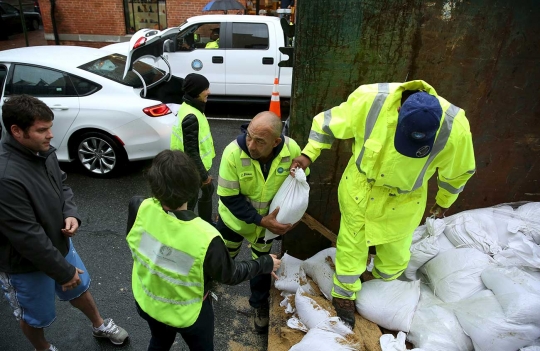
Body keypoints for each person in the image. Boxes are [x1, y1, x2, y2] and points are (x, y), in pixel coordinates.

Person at [290, 81, 476, 329]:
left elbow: (459, 173)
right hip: (361, 190)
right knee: (351, 245)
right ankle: (344, 295)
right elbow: (326, 123)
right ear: (399, 112)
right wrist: (308, 154)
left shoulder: (455, 128)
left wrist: (443, 202)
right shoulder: (370, 100)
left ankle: (381, 290)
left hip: (406, 199)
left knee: (397, 254)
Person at [0, 95, 129, 351]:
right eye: (42, 130)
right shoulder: (5, 176)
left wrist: (70, 213)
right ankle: (44, 348)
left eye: (50, 127)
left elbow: (62, 185)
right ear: (16, 131)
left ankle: (99, 324)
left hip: (60, 246)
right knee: (34, 316)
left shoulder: (41, 151)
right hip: (25, 265)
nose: (50, 135)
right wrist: (63, 271)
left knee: (79, 289)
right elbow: (27, 236)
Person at [126, 149, 280, 351]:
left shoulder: (139, 207)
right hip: (189, 314)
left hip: (148, 302)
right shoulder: (206, 236)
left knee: (159, 341)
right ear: (193, 189)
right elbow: (230, 274)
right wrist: (266, 263)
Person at [216, 111, 307, 333]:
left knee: (262, 265)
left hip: (264, 231)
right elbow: (228, 197)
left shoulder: (291, 150)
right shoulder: (232, 154)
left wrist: (291, 217)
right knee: (223, 258)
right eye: (249, 136)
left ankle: (258, 305)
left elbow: (302, 184)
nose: (251, 145)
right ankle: (207, 287)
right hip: (234, 223)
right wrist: (260, 220)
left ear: (276, 142)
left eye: (260, 141)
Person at [170, 73, 215, 224]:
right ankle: (188, 227)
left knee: (207, 192)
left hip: (190, 167)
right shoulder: (191, 116)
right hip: (190, 169)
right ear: (196, 91)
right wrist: (204, 176)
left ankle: (205, 222)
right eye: (205, 89)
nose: (208, 92)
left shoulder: (190, 108)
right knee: (190, 202)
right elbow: (191, 152)